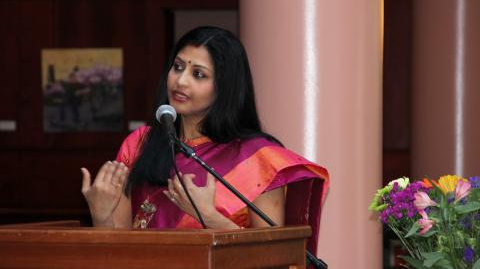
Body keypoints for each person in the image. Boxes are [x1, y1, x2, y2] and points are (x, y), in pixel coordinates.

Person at [81, 26, 329, 230]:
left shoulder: (258, 159)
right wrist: (101, 215)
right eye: (178, 67)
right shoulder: (139, 143)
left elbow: (271, 253)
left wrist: (208, 216)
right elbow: (120, 250)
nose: (181, 81)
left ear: (225, 88)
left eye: (198, 74)